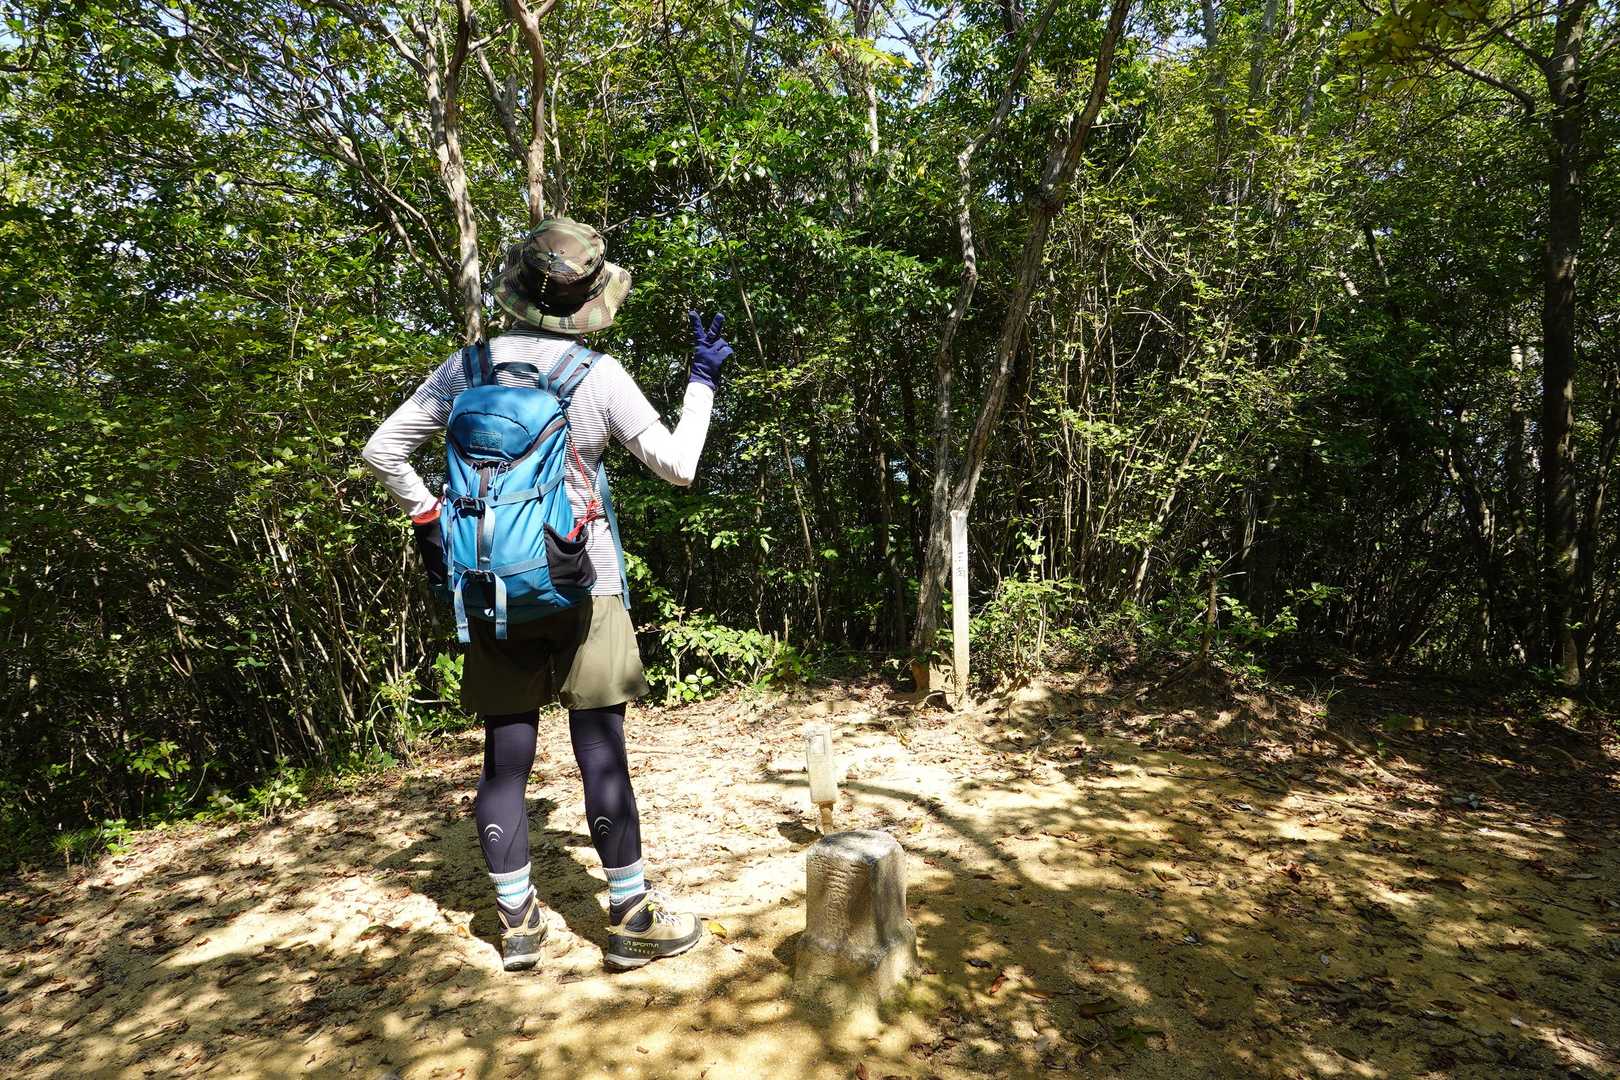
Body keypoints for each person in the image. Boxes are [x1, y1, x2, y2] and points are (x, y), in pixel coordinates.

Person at [361, 217, 732, 972]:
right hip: (585, 584)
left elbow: (383, 451)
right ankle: (630, 919)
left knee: (505, 760)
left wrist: (431, 520)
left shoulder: (466, 368)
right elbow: (678, 467)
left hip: (491, 588)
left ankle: (519, 929)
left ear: (519, 290)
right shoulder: (598, 375)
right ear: (588, 300)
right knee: (599, 751)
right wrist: (701, 381)